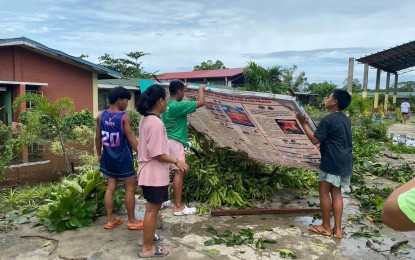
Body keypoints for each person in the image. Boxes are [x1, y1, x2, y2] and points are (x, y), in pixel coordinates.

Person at [137, 84, 189, 257]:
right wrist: (177, 161)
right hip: (154, 174)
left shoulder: (145, 119)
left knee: (151, 209)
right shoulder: (156, 123)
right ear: (160, 101)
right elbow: (157, 153)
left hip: (147, 172)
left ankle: (147, 238)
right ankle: (148, 248)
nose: (167, 102)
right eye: (166, 99)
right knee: (153, 210)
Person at [296, 89, 352, 239]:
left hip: (331, 161)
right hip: (345, 161)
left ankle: (326, 227)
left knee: (323, 191)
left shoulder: (328, 119)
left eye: (328, 97)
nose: (326, 99)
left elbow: (315, 140)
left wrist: (303, 124)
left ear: (334, 102)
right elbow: (337, 138)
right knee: (337, 193)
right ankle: (338, 230)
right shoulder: (345, 119)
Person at [95, 86, 143, 230]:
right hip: (123, 159)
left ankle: (110, 220)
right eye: (126, 100)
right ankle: (132, 220)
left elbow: (97, 138)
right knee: (130, 188)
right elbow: (131, 139)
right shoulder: (123, 117)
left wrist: (99, 154)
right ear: (119, 100)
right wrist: (142, 155)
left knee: (110, 187)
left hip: (108, 158)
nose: (127, 103)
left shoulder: (101, 116)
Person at [161, 81, 206, 216]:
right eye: (183, 91)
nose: (184, 93)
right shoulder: (178, 106)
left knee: (164, 171)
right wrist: (201, 88)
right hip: (175, 142)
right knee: (179, 172)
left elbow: (178, 96)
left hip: (164, 142)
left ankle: (162, 200)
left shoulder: (165, 104)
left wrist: (182, 88)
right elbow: (201, 102)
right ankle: (178, 207)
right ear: (179, 92)